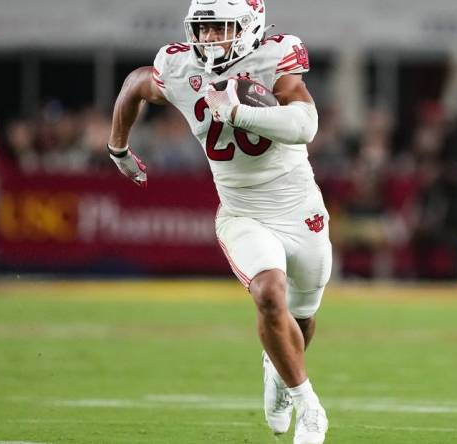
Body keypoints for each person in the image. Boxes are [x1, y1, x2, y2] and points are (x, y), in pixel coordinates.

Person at [106, 1, 330, 442]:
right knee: (268, 293)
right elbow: (135, 85)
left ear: (249, 27)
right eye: (203, 29)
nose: (209, 39)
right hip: (242, 211)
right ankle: (310, 406)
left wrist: (240, 113)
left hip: (298, 207)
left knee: (302, 315)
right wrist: (117, 149)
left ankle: (278, 370)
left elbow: (306, 124)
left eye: (220, 28)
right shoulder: (179, 67)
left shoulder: (273, 59)